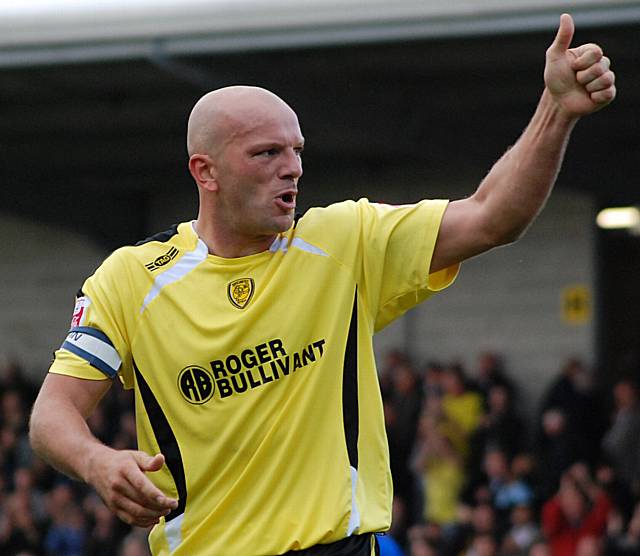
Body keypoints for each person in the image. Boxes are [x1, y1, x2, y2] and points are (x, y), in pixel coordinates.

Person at [28, 13, 616, 556]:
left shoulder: (341, 241)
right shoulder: (132, 278)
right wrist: (97, 463)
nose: (293, 168)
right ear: (204, 171)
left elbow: (492, 216)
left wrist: (556, 110)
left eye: (297, 151)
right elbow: (52, 415)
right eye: (266, 153)